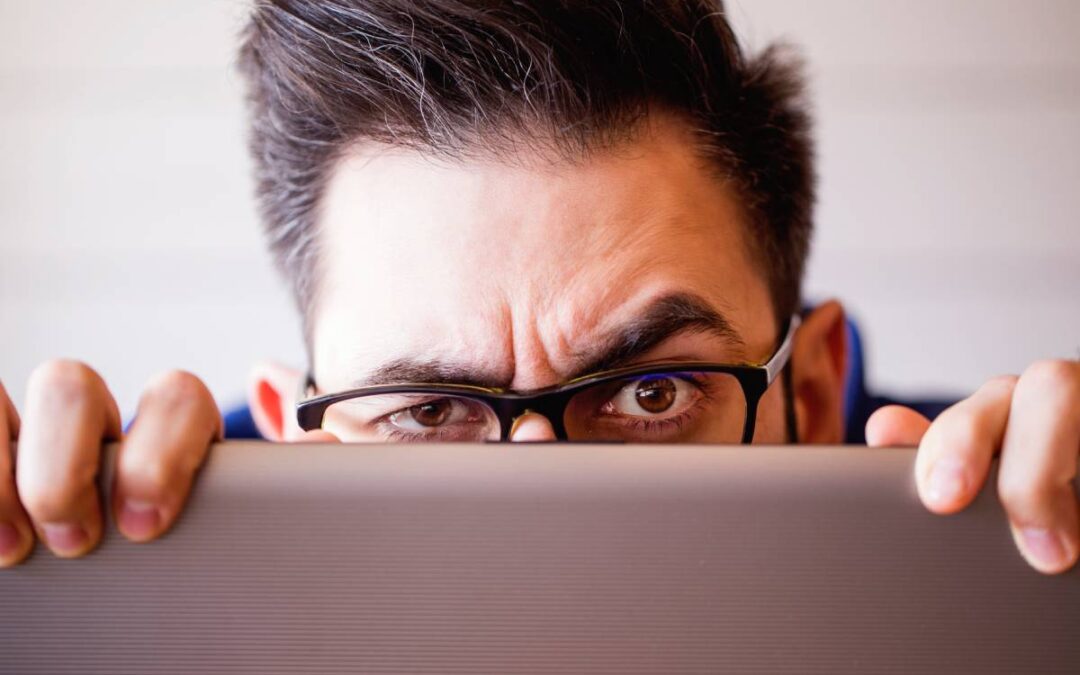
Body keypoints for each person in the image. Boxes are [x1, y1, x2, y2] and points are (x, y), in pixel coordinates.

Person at [0, 0, 1076, 575]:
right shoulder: (135, 581)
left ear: (814, 391)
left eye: (652, 394)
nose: (544, 531)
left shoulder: (1022, 551)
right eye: (427, 412)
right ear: (289, 431)